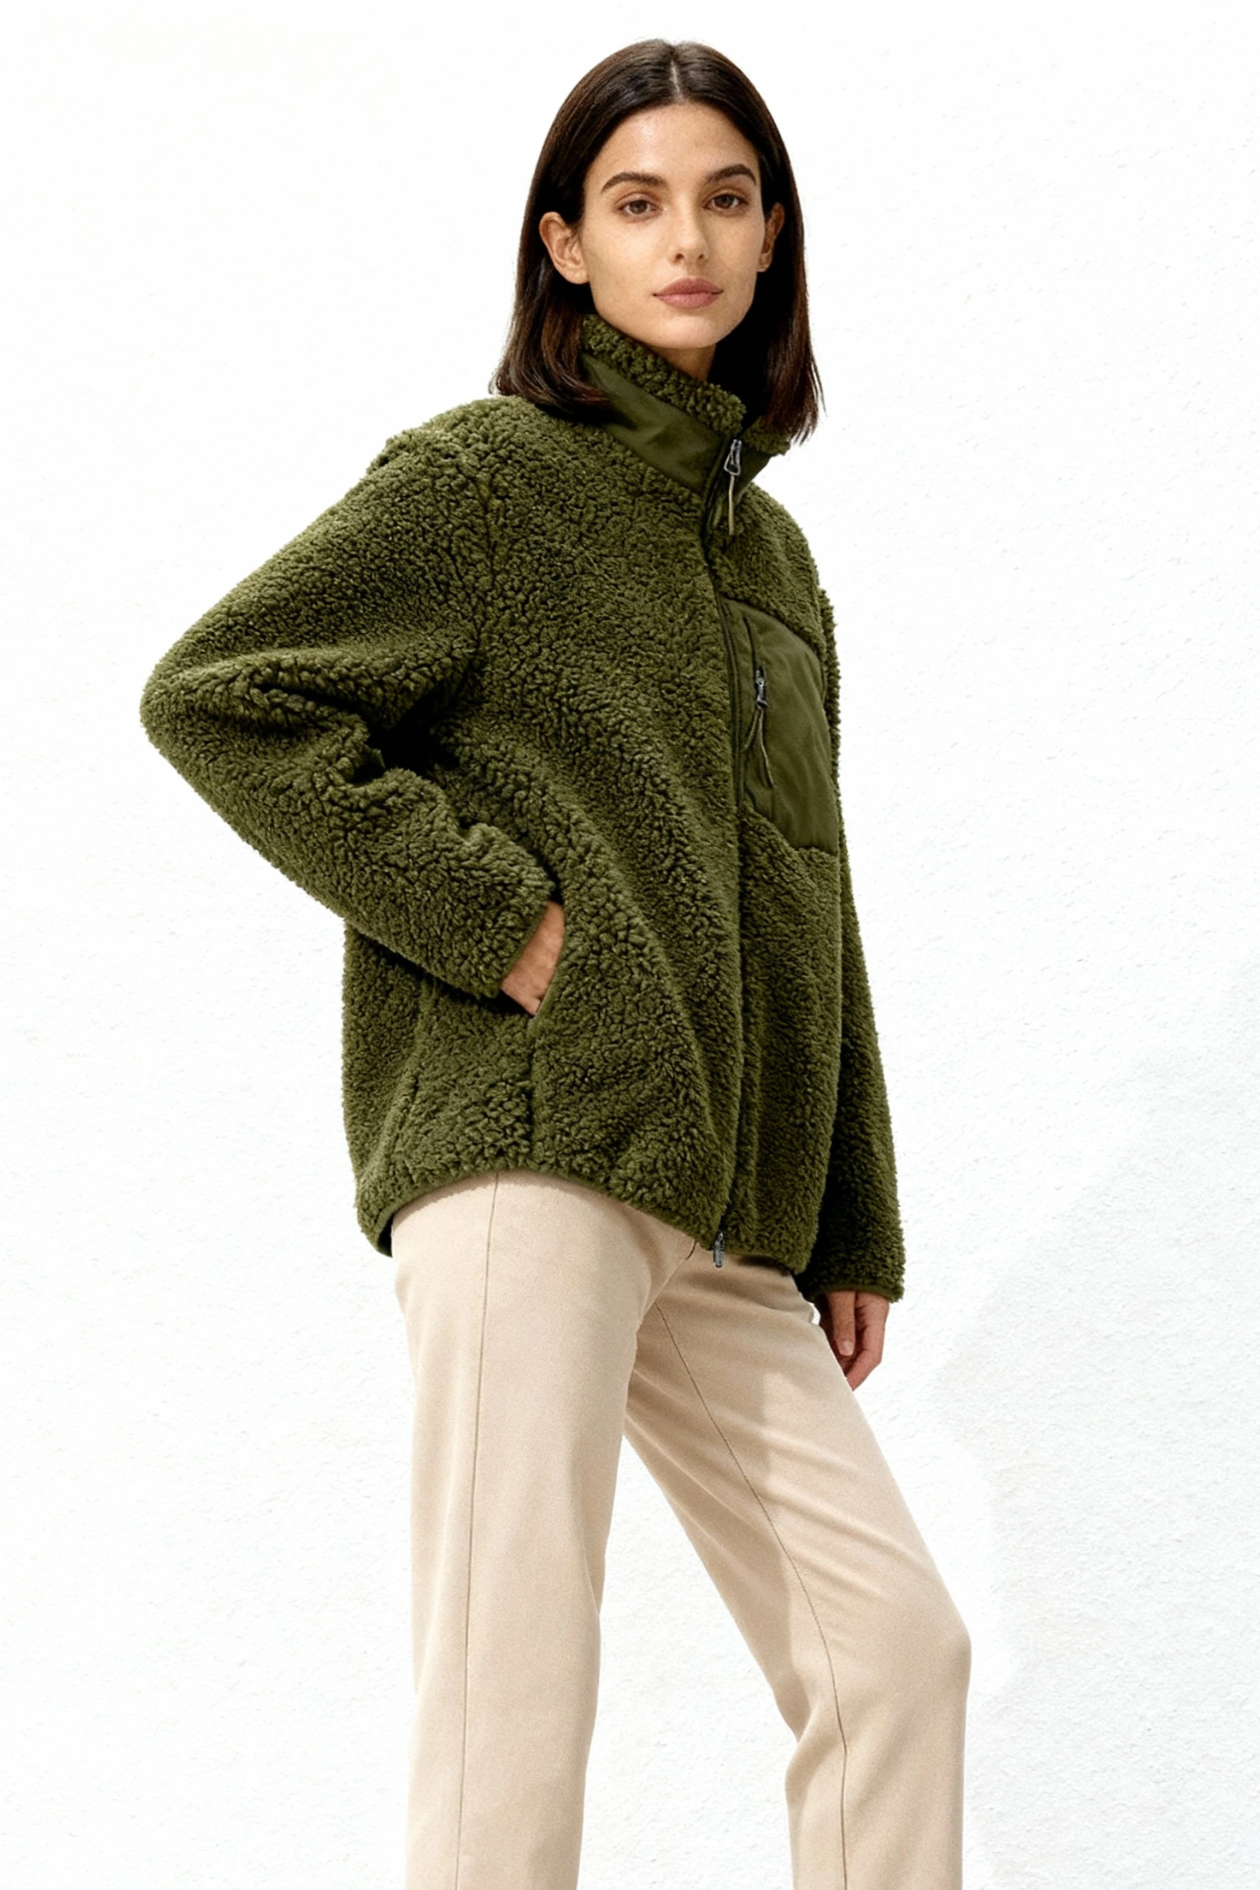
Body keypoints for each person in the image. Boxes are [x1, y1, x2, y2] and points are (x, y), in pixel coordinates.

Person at [139, 37, 971, 1890]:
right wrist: (499, 921)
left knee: (899, 1651)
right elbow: (221, 694)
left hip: (721, 1202)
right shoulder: (486, 482)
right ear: (566, 245)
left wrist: (852, 1209)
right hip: (528, 1157)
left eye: (728, 200)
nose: (689, 240)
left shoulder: (776, 565)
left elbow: (811, 892)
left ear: (773, 239)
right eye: (639, 201)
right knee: (511, 1703)